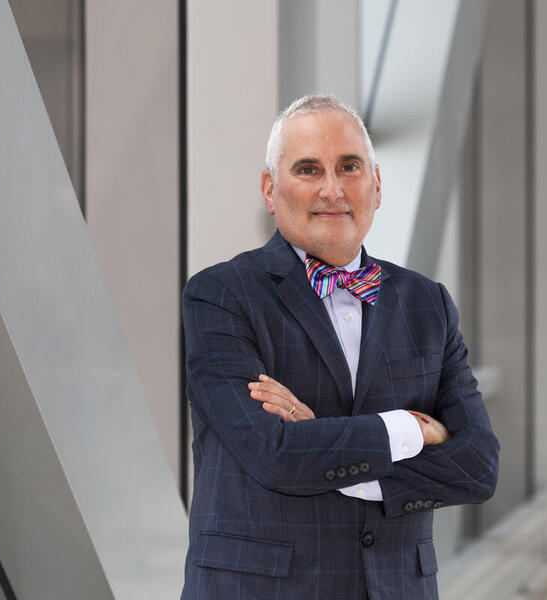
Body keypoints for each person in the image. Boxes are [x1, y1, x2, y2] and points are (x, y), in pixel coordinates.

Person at [181, 93, 499, 599]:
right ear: (270, 189)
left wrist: (331, 450)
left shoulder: (427, 302)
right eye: (308, 169)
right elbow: (274, 454)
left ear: (376, 185)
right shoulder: (220, 296)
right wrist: (411, 430)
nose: (332, 189)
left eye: (349, 166)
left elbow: (479, 466)